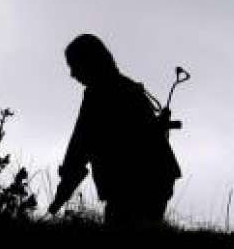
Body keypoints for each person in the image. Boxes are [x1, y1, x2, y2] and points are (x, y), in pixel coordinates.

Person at [47, 34, 181, 225]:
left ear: (89, 62)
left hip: (135, 182)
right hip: (155, 178)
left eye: (74, 66)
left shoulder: (99, 95)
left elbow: (80, 146)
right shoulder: (127, 87)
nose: (72, 74)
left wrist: (61, 194)